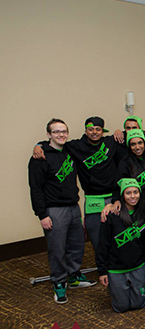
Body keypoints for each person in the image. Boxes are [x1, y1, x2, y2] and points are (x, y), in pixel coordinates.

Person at [33, 116, 125, 254]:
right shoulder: (75, 147)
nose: (94, 132)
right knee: (97, 239)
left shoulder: (111, 142)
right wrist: (38, 145)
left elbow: (135, 136)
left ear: (103, 131)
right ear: (86, 131)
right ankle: (102, 270)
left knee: (119, 236)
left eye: (98, 129)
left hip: (114, 197)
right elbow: (53, 144)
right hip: (92, 199)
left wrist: (120, 131)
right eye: (90, 129)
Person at [28, 118, 95, 304]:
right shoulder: (39, 158)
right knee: (57, 249)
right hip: (53, 209)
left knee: (77, 244)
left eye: (64, 131)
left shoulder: (69, 151)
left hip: (73, 206)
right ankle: (58, 282)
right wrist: (42, 214)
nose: (61, 135)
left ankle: (73, 276)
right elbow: (35, 188)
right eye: (56, 132)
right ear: (49, 134)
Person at [96, 179, 145, 312]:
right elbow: (103, 244)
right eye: (128, 193)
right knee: (121, 307)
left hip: (138, 266)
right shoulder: (112, 215)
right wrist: (102, 271)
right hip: (116, 269)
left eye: (135, 192)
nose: (132, 196)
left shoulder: (144, 212)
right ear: (122, 195)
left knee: (138, 304)